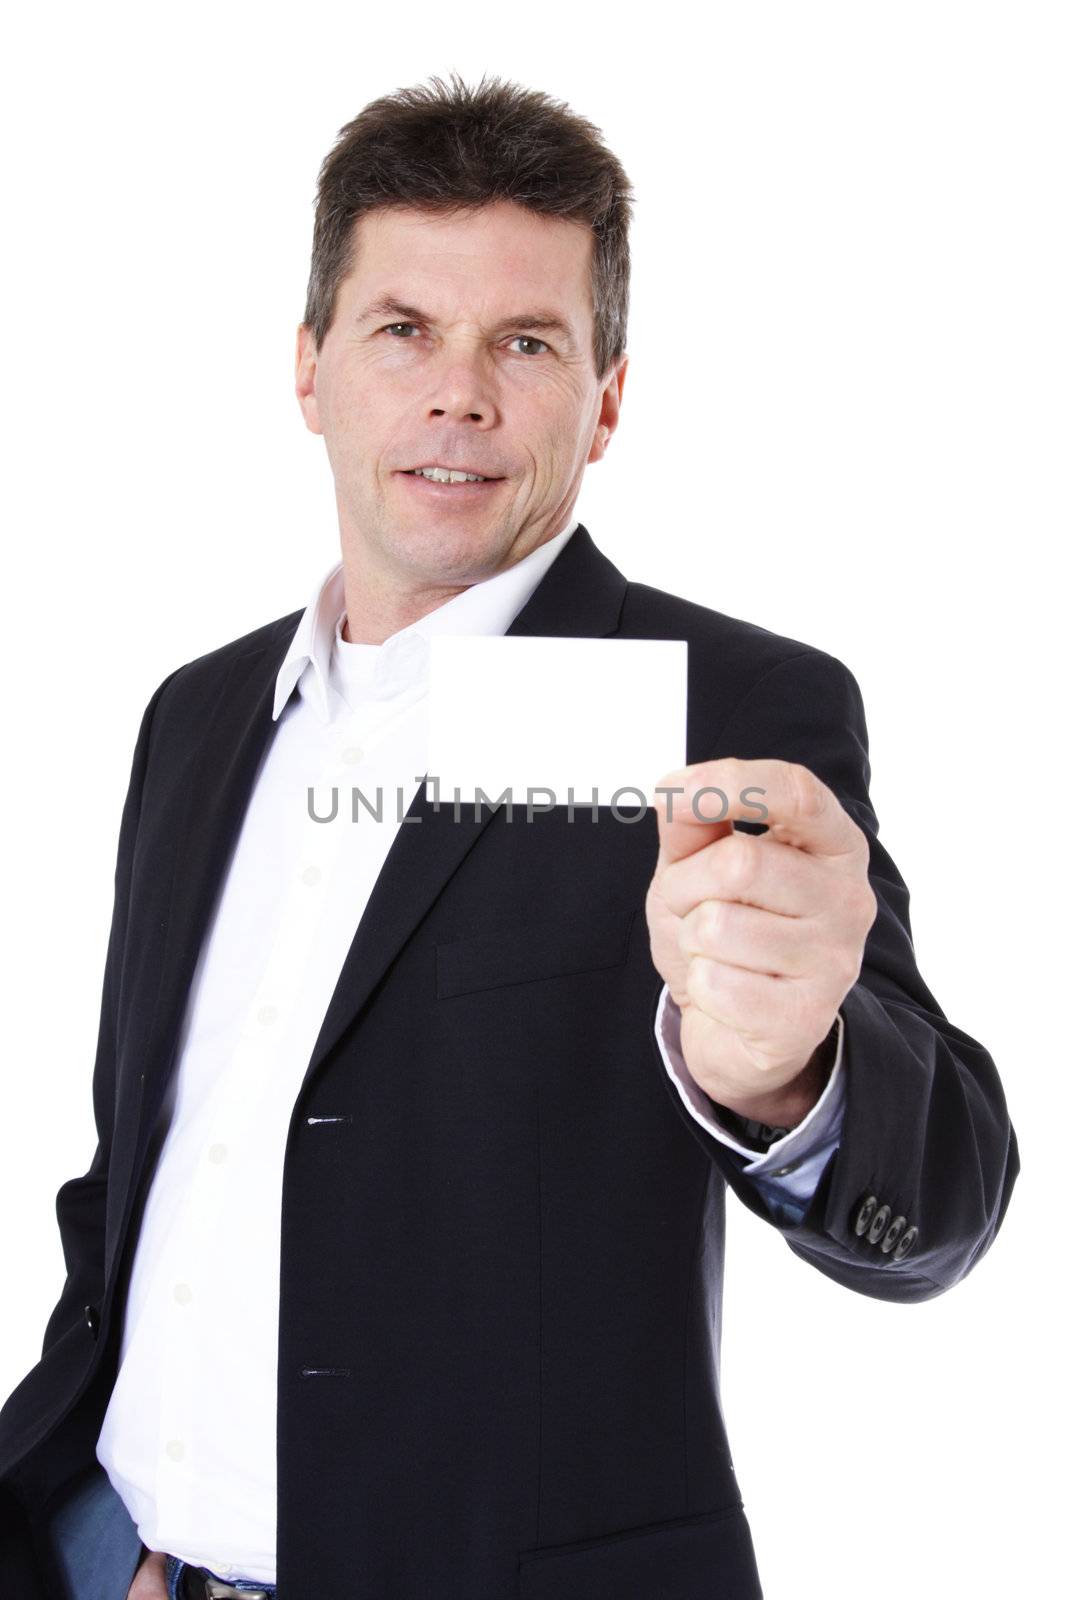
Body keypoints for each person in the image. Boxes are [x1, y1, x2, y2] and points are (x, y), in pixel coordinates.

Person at [0, 72, 1020, 1600]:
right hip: (107, 1561)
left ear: (608, 397)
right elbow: (149, 1162)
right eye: (402, 328)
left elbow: (936, 1202)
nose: (456, 395)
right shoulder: (197, 717)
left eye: (526, 343)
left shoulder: (717, 708)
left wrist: (788, 1073)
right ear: (310, 366)